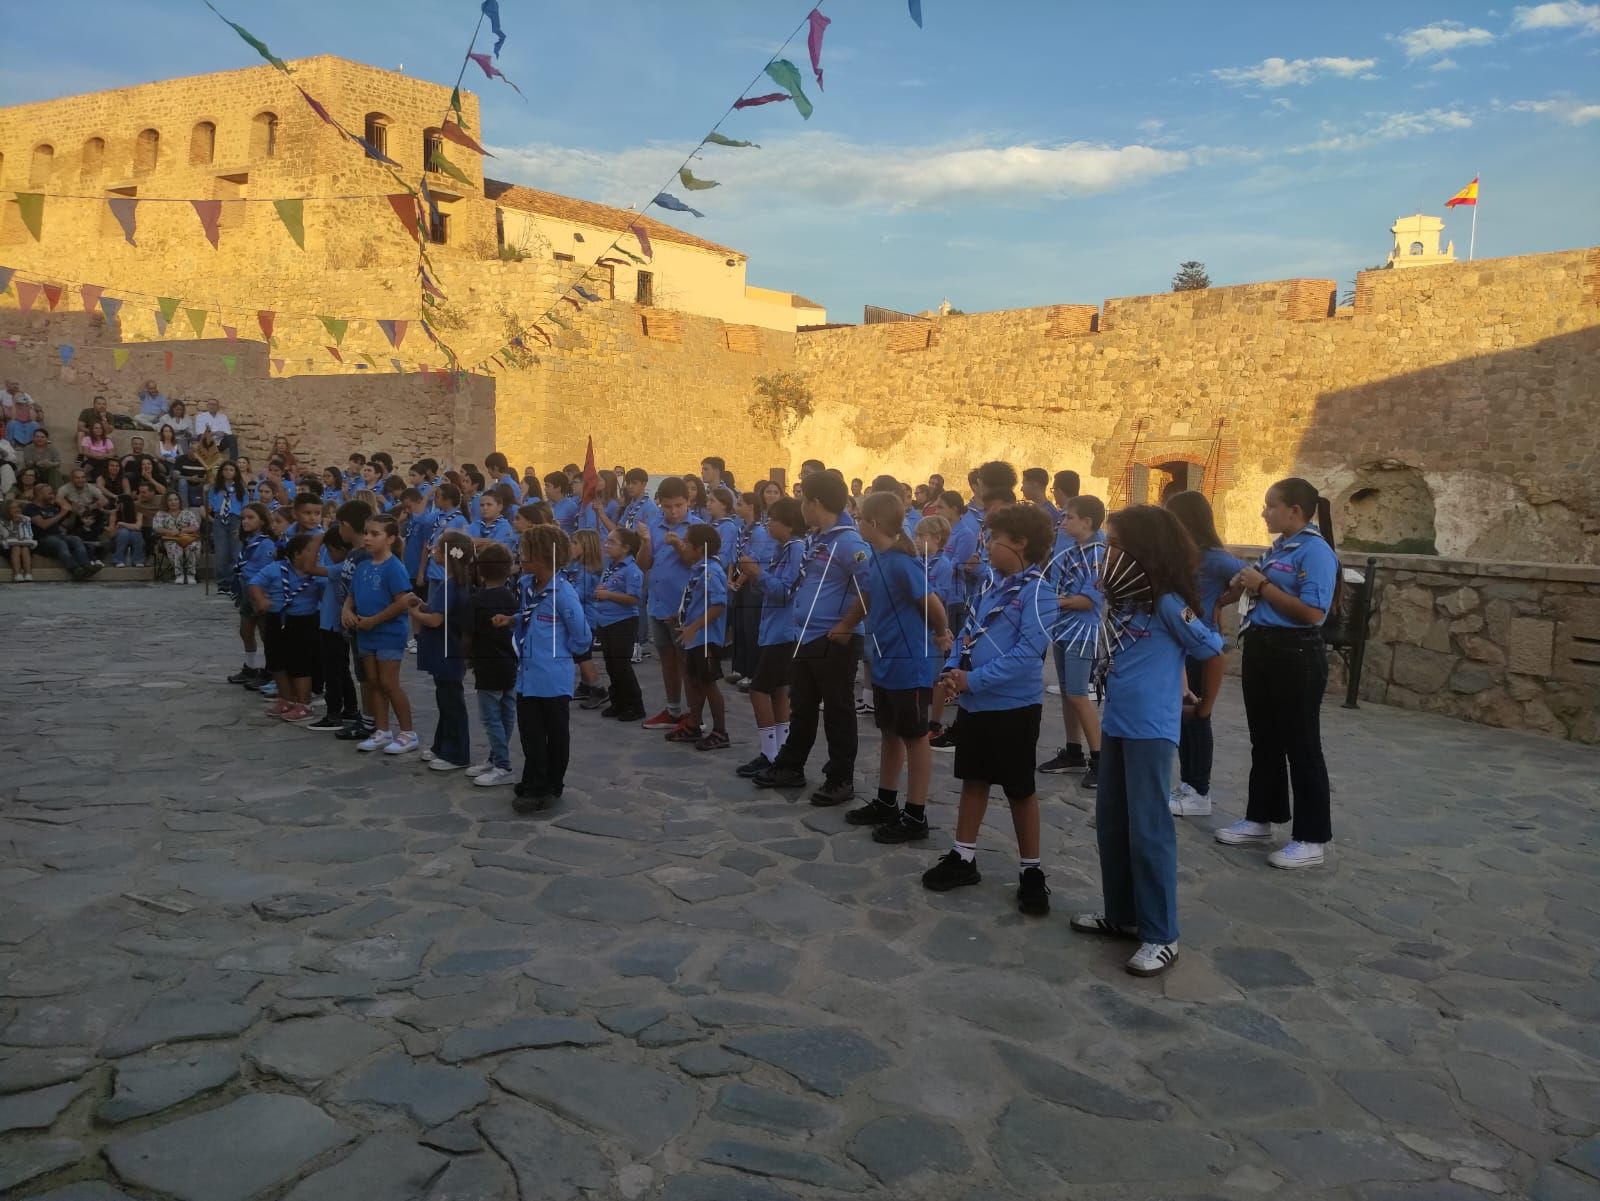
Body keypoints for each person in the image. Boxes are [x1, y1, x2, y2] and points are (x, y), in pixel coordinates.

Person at [1071, 504, 1225, 977]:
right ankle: (1122, 916)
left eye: (1116, 546)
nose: (1108, 555)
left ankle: (1161, 934)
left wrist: (1203, 706)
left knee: (1149, 830)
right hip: (1117, 722)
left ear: (1144, 550)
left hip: (1151, 731)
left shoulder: (1167, 603)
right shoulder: (1126, 600)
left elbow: (1211, 649)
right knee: (1112, 824)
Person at [920, 503, 1054, 916]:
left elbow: (1028, 655)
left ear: (1021, 543)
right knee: (974, 779)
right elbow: (968, 632)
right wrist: (952, 668)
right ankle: (964, 856)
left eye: (994, 539)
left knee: (1019, 789)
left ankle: (1031, 870)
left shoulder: (1040, 593)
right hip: (977, 705)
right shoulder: (992, 587)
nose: (987, 547)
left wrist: (973, 680)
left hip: (1013, 707)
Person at [1214, 478, 1340, 870]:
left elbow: (1313, 613)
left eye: (1271, 506)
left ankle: (1311, 838)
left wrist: (1263, 585)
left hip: (1295, 653)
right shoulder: (1281, 547)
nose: (1264, 513)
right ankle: (1260, 818)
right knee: (1264, 741)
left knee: (1302, 746)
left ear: (1295, 511)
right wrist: (1243, 584)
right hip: (1263, 647)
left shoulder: (1315, 552)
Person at [751, 472, 872, 806]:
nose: (801, 506)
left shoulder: (849, 543)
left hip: (834, 639)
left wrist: (847, 624)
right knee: (802, 705)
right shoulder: (821, 539)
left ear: (815, 503)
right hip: (807, 636)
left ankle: (840, 778)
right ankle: (791, 765)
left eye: (804, 499)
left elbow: (872, 583)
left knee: (837, 710)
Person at [839, 492, 952, 844]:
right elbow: (868, 594)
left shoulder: (904, 563)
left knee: (915, 738)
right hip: (886, 659)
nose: (857, 523)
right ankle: (886, 801)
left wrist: (941, 633)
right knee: (889, 731)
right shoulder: (877, 556)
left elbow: (932, 603)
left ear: (872, 523)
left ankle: (915, 814)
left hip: (908, 664)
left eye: (860, 518)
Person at [495, 524, 590, 813]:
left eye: (525, 552)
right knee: (530, 734)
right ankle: (534, 779)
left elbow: (582, 635)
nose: (520, 556)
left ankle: (549, 785)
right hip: (528, 675)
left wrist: (558, 656)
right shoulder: (528, 585)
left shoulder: (563, 594)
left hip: (551, 677)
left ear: (543, 556)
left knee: (555, 733)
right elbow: (529, 615)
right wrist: (512, 620)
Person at [1164, 490, 1246, 818]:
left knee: (1199, 718)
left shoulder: (1214, 558)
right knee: (1183, 717)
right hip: (1181, 643)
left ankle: (1199, 790)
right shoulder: (1181, 554)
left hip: (1202, 644)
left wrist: (1221, 602)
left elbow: (1246, 576)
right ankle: (1188, 783)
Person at [1038, 495, 1107, 788]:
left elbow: (1088, 601)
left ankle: (1101, 759)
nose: (1063, 522)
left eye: (1069, 517)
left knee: (1078, 693)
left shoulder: (1097, 554)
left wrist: (1050, 602)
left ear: (1087, 522)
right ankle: (1073, 751)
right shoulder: (1075, 550)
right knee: (1068, 693)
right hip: (1063, 629)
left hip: (1081, 630)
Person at [733, 495, 803, 777]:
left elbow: (786, 591)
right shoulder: (781, 548)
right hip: (774, 628)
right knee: (777, 690)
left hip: (785, 631)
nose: (768, 524)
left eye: (773, 520)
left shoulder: (796, 549)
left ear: (789, 524)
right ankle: (779, 750)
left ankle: (769, 753)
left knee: (758, 689)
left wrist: (756, 573)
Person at [343, 512, 419, 755]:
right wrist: (346, 610)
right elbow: (352, 595)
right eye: (366, 533)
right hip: (366, 632)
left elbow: (402, 602)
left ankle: (408, 732)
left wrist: (374, 621)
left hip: (388, 633)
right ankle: (382, 730)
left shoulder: (394, 567)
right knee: (373, 681)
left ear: (390, 539)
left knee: (388, 682)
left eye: (375, 534)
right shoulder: (363, 566)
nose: (367, 538)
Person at [636, 477, 703, 732]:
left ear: (688, 502)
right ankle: (673, 709)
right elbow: (644, 564)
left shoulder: (698, 528)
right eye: (667, 506)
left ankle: (695, 716)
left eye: (678, 505)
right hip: (658, 603)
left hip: (685, 609)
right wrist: (645, 542)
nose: (673, 512)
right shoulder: (654, 525)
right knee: (666, 658)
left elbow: (696, 563)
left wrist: (678, 544)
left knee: (687, 662)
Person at [410, 529, 474, 771]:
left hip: (448, 650)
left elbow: (436, 619)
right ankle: (441, 746)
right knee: (445, 700)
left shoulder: (451, 585)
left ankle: (457, 754)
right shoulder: (454, 582)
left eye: (437, 548)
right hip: (447, 649)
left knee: (451, 703)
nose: (433, 551)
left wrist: (414, 613)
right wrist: (423, 605)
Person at [666, 524, 730, 751]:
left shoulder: (712, 571)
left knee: (708, 684)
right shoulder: (699, 569)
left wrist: (693, 627)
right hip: (695, 637)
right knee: (694, 682)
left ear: (699, 548)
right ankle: (693, 724)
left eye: (686, 543)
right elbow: (697, 601)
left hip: (706, 638)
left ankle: (721, 731)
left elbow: (718, 605)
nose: (683, 546)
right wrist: (679, 617)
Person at [249, 533, 324, 721]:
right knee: (277, 663)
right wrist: (260, 600)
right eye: (311, 551)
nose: (317, 555)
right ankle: (286, 699)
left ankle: (304, 704)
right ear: (297, 554)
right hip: (277, 619)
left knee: (301, 664)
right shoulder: (276, 568)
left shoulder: (318, 574)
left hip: (305, 621)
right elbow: (254, 584)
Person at [464, 543, 520, 786]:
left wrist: (467, 659)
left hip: (487, 663)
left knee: (491, 717)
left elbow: (468, 635)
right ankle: (496, 757)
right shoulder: (512, 597)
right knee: (506, 712)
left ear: (481, 571)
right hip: (510, 662)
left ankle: (503, 765)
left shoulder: (476, 600)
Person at [306, 528, 364, 733]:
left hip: (333, 624)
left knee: (331, 671)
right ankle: (350, 708)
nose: (329, 555)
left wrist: (317, 541)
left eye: (330, 550)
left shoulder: (341, 568)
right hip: (335, 623)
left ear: (340, 549)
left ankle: (333, 714)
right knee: (341, 669)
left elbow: (309, 567)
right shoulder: (347, 566)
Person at [591, 527, 646, 721]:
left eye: (612, 542)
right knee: (611, 664)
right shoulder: (611, 566)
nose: (607, 545)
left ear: (625, 548)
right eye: (607, 541)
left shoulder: (632, 570)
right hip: (605, 620)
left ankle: (635, 705)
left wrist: (607, 595)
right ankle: (618, 702)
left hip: (622, 622)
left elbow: (633, 599)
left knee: (622, 665)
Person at [25, 483, 98, 579]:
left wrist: (73, 513)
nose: (52, 496)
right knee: (59, 542)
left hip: (58, 536)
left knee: (75, 539)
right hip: (41, 540)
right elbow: (43, 525)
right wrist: (62, 513)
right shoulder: (30, 508)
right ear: (39, 494)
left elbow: (67, 525)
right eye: (49, 493)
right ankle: (75, 569)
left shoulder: (51, 507)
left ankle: (86, 566)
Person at [565, 529, 604, 703]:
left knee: (583, 655)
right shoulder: (578, 567)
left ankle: (597, 688)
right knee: (580, 653)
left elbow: (577, 595)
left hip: (586, 619)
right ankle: (585, 685)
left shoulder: (588, 572)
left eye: (575, 543)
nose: (571, 546)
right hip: (581, 617)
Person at [208, 461, 246, 594]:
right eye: (225, 469)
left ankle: (232, 583)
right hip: (220, 519)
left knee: (235, 552)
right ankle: (222, 583)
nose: (228, 472)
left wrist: (242, 524)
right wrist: (205, 493)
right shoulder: (215, 488)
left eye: (231, 470)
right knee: (221, 552)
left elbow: (245, 507)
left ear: (235, 472)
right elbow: (210, 507)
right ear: (221, 472)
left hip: (236, 519)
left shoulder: (241, 489)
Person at [152, 489, 201, 584]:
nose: (173, 502)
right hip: (170, 540)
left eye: (175, 499)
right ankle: (179, 574)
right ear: (166, 502)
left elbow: (195, 526)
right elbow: (156, 528)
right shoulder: (160, 514)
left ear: (179, 501)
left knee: (192, 546)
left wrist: (181, 531)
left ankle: (191, 574)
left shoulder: (188, 513)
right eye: (170, 500)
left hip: (188, 539)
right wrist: (169, 532)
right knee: (176, 547)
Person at [468, 489, 517, 553]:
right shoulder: (474, 524)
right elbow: (466, 544)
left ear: (500, 507)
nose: (485, 508)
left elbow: (496, 549)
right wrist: (490, 541)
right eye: (482, 505)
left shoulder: (505, 526)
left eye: (489, 504)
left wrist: (476, 542)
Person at [1, 498, 37, 581]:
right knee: (16, 547)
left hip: (24, 544)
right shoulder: (2, 522)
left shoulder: (26, 519)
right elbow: (6, 537)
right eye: (13, 508)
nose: (17, 510)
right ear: (6, 510)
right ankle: (17, 574)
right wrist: (15, 526)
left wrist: (23, 539)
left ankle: (28, 574)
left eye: (18, 507)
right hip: (6, 546)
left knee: (25, 548)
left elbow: (29, 535)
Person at [109, 494, 146, 569]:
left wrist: (122, 524)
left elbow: (138, 527)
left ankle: (138, 560)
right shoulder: (114, 513)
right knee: (124, 532)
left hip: (134, 536)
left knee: (136, 533)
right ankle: (118, 560)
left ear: (124, 503)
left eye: (117, 502)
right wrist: (120, 529)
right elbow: (111, 534)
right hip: (118, 538)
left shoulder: (138, 513)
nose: (115, 504)